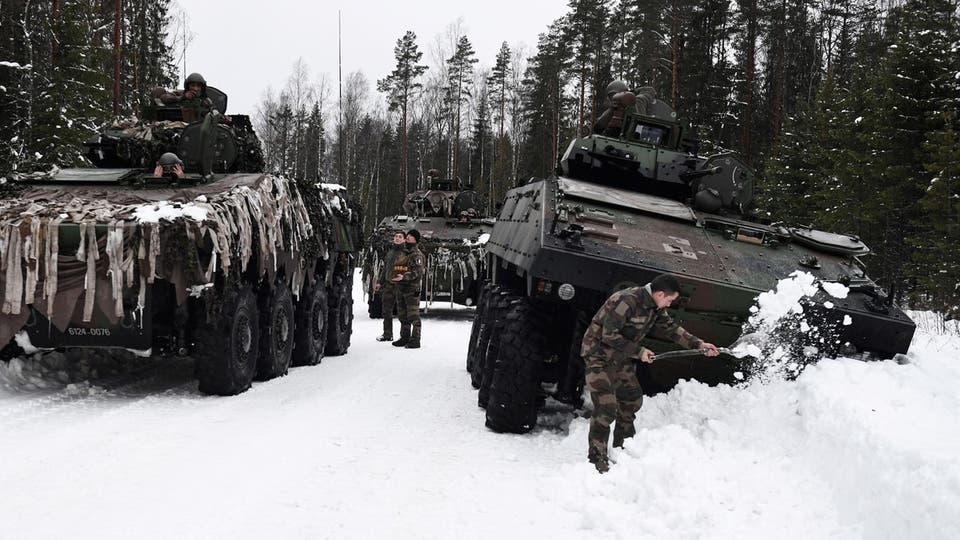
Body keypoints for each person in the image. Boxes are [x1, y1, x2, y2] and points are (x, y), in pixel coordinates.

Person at [580, 274, 719, 473]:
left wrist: (699, 344)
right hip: (598, 355)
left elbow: (671, 329)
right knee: (607, 407)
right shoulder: (627, 300)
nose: (669, 305)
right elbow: (609, 335)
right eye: (670, 300)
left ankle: (623, 447)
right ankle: (597, 457)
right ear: (660, 294)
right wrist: (639, 352)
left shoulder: (655, 306)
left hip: (619, 357)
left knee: (632, 398)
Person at [390, 229, 425, 349]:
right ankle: (404, 337)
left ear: (415, 239)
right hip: (401, 287)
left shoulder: (417, 255)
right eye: (408, 235)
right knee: (402, 315)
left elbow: (417, 272)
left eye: (410, 236)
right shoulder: (403, 253)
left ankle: (415, 339)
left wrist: (404, 277)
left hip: (411, 288)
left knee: (413, 315)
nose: (408, 237)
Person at [373, 230, 407, 342]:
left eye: (400, 237)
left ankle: (404, 336)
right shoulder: (390, 253)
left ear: (404, 239)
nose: (397, 238)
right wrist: (379, 282)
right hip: (388, 285)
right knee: (386, 311)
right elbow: (385, 269)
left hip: (401, 286)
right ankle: (387, 334)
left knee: (403, 312)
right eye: (396, 236)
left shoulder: (407, 253)